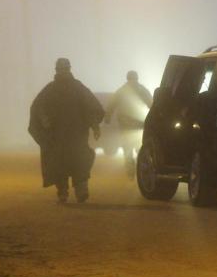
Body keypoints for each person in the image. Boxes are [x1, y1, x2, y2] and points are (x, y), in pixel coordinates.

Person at [28, 58, 104, 203]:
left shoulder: (77, 88)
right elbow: (37, 108)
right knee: (59, 164)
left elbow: (90, 107)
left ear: (69, 69)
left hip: (77, 135)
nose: (63, 72)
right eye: (61, 69)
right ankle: (62, 191)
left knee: (80, 161)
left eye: (65, 69)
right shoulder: (50, 90)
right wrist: (44, 120)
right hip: (58, 137)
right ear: (57, 70)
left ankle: (81, 189)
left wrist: (95, 125)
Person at [105, 70, 152, 179]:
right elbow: (151, 103)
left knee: (127, 148)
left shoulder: (121, 91)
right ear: (136, 78)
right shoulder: (142, 89)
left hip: (125, 124)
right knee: (140, 146)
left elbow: (112, 105)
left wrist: (107, 117)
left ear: (127, 78)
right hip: (139, 124)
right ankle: (142, 169)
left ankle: (130, 171)